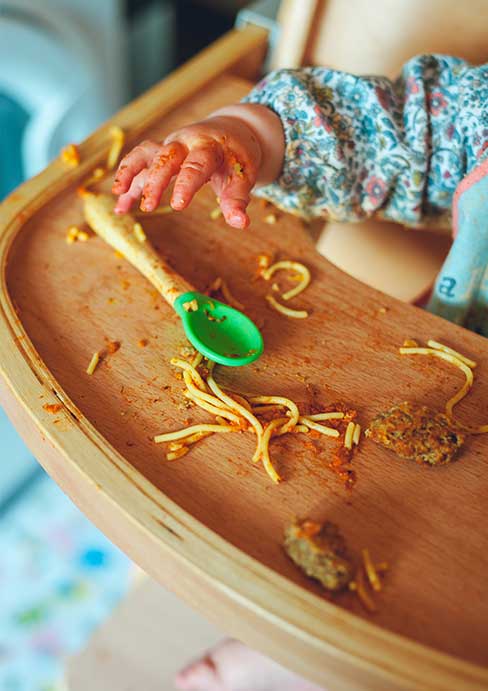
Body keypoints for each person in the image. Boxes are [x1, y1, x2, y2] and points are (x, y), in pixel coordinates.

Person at [112, 55, 488, 690]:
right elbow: (384, 131)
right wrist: (249, 138)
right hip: (446, 383)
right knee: (339, 522)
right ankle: (304, 643)